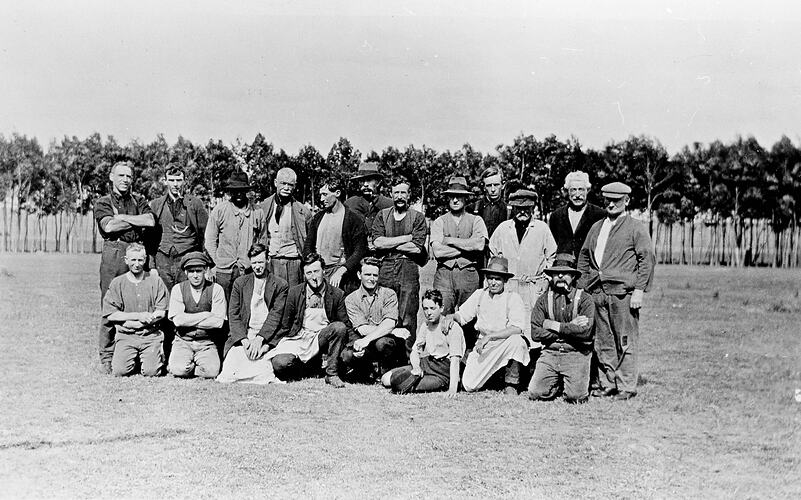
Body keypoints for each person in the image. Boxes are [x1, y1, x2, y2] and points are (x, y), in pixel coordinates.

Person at [577, 182, 655, 400]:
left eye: (616, 200)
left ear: (627, 201)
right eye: (607, 200)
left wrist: (639, 290)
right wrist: (583, 286)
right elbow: (584, 257)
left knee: (625, 338)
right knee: (602, 340)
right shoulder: (597, 226)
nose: (611, 204)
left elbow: (646, 260)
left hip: (622, 293)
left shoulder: (636, 227)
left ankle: (626, 385)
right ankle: (607, 382)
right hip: (597, 292)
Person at [94, 160, 156, 373]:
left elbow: (150, 220)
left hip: (137, 252)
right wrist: (133, 221)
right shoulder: (103, 202)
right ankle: (107, 356)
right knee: (110, 304)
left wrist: (123, 218)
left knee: (138, 301)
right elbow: (109, 226)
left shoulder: (139, 199)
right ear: (111, 177)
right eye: (121, 176)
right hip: (114, 253)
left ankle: (137, 352)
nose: (125, 180)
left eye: (129, 176)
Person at [269, 253, 351, 388]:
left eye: (316, 271)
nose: (313, 277)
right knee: (280, 363)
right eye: (309, 273)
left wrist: (356, 344)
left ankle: (331, 374)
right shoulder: (294, 293)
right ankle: (309, 368)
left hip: (321, 337)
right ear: (304, 274)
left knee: (339, 327)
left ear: (324, 271)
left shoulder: (337, 294)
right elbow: (285, 325)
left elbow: (345, 326)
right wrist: (270, 344)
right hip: (300, 337)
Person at [454, 257, 529, 395]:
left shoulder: (513, 297)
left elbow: (517, 328)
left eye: (498, 279)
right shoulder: (480, 295)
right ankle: (494, 379)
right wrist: (450, 318)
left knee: (517, 341)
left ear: (505, 280)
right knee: (469, 385)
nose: (493, 283)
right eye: (490, 278)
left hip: (504, 345)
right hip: (484, 347)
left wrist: (490, 336)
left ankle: (511, 383)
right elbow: (462, 315)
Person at [216, 244, 289, 384]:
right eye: (254, 262)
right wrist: (245, 342)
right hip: (244, 336)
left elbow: (276, 315)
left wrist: (260, 340)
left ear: (268, 260)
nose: (257, 267)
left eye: (260, 262)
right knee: (232, 367)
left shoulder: (280, 285)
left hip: (267, 337)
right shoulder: (240, 283)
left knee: (263, 367)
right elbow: (234, 314)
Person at [528, 254, 596, 403]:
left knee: (576, 397)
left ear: (573, 276)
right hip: (550, 353)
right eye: (556, 273)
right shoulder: (544, 299)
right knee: (535, 393)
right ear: (551, 276)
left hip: (576, 353)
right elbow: (535, 332)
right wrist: (571, 327)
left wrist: (552, 325)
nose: (560, 276)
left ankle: (570, 382)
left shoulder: (585, 299)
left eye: (565, 273)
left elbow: (586, 332)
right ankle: (556, 383)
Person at [489, 189, 557, 338]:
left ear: (533, 208)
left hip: (534, 286)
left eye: (526, 208)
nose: (522, 212)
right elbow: (493, 256)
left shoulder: (542, 229)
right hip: (509, 286)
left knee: (532, 328)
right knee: (508, 326)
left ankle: (532, 360)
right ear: (513, 208)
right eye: (519, 209)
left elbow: (551, 257)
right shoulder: (503, 229)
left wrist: (546, 280)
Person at [372, 178, 428, 349]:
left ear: (409, 195)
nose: (399, 196)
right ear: (391, 194)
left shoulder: (417, 217)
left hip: (408, 267)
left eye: (403, 192)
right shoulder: (382, 215)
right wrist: (406, 238)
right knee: (384, 310)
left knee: (408, 313)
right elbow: (378, 243)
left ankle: (408, 356)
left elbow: (417, 248)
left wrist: (390, 242)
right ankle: (384, 354)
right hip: (386, 266)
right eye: (396, 193)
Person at [102, 243, 169, 377]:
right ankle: (129, 357)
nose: (136, 264)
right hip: (126, 335)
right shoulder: (117, 282)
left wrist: (143, 323)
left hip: (150, 334)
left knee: (152, 372)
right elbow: (111, 314)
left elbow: (161, 311)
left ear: (145, 260)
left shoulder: (156, 281)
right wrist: (138, 316)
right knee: (120, 371)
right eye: (133, 260)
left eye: (140, 260)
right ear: (126, 260)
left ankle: (152, 356)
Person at [383, 289, 465, 396]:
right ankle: (412, 376)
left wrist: (452, 389)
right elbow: (415, 351)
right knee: (386, 379)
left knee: (401, 385)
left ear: (441, 308)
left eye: (432, 308)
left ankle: (431, 382)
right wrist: (417, 367)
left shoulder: (452, 327)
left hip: (443, 370)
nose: (429, 312)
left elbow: (455, 360)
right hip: (428, 363)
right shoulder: (426, 325)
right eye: (425, 309)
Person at [340, 257, 409, 381]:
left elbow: (389, 323)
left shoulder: (389, 294)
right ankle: (365, 371)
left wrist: (383, 333)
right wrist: (393, 331)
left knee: (383, 343)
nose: (372, 279)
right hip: (363, 343)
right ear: (359, 275)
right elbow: (361, 329)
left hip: (383, 341)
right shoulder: (351, 299)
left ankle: (387, 371)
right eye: (367, 274)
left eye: (375, 275)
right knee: (347, 355)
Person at [430, 176, 488, 314]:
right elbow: (438, 252)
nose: (455, 200)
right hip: (444, 275)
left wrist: (449, 241)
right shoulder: (439, 221)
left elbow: (479, 245)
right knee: (442, 315)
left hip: (468, 274)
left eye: (459, 196)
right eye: (452, 197)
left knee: (469, 318)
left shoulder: (476, 220)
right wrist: (468, 247)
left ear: (465, 198)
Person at [205, 170, 266, 302]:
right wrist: (218, 261)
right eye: (235, 190)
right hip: (224, 272)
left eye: (242, 190)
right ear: (230, 191)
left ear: (247, 191)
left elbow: (263, 241)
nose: (238, 193)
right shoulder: (220, 210)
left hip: (247, 270)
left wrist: (254, 262)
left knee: (246, 306)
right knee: (223, 307)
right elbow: (210, 240)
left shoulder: (258, 212)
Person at [148, 164, 209, 291]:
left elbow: (205, 235)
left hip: (187, 258)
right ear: (165, 181)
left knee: (186, 296)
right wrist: (152, 266)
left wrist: (204, 262)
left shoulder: (195, 204)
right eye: (171, 180)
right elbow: (149, 239)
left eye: (179, 180)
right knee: (163, 298)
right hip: (163, 259)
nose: (175, 184)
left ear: (184, 181)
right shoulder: (156, 205)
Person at [167, 252, 226, 379]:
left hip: (206, 342)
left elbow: (218, 322)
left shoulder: (216, 289)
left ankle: (194, 367)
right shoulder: (178, 289)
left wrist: (188, 319)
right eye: (191, 271)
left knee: (211, 372)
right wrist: (205, 314)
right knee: (179, 370)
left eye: (198, 271)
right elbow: (178, 321)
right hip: (183, 341)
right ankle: (182, 363)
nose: (195, 275)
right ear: (186, 272)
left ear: (205, 270)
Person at [304, 178, 368, 294]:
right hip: (319, 272)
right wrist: (312, 267)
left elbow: (360, 250)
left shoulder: (353, 219)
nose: (322, 199)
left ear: (337, 193)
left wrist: (343, 269)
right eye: (321, 195)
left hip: (342, 275)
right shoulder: (317, 218)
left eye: (325, 194)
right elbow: (308, 245)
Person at [257, 167, 312, 288]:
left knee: (293, 299)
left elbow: (310, 241)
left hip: (294, 263)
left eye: (290, 184)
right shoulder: (263, 207)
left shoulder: (303, 211)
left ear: (295, 186)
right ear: (276, 183)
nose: (286, 188)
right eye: (283, 183)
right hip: (272, 262)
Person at [548, 171, 606, 260]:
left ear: (588, 190)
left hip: (589, 268)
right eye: (573, 190)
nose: (577, 195)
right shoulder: (556, 216)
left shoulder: (600, 215)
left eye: (581, 189)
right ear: (567, 191)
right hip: (564, 269)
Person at [344, 161, 393, 239]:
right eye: (362, 181)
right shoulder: (350, 204)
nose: (365, 184)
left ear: (377, 182)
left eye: (369, 180)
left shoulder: (389, 205)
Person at [468, 166, 509, 246]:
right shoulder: (472, 209)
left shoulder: (509, 210)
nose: (493, 189)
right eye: (489, 185)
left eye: (496, 185)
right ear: (484, 187)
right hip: (478, 255)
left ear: (503, 185)